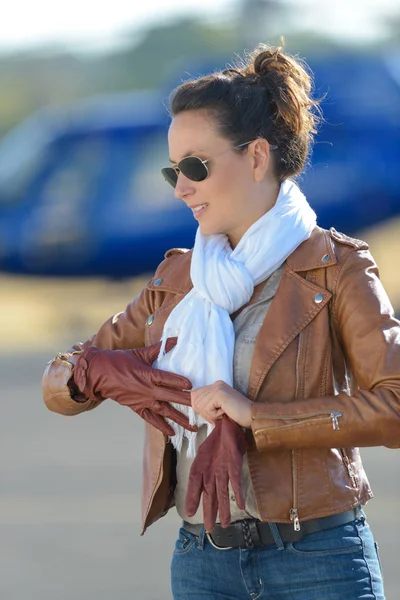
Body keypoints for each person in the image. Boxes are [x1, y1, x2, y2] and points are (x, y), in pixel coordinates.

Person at [42, 43, 400, 600]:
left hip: (319, 560)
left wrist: (257, 417)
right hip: (202, 561)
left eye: (194, 167)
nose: (180, 187)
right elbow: (61, 380)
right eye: (172, 170)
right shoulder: (176, 280)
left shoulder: (337, 267)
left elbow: (395, 405)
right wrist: (87, 372)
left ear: (257, 157)